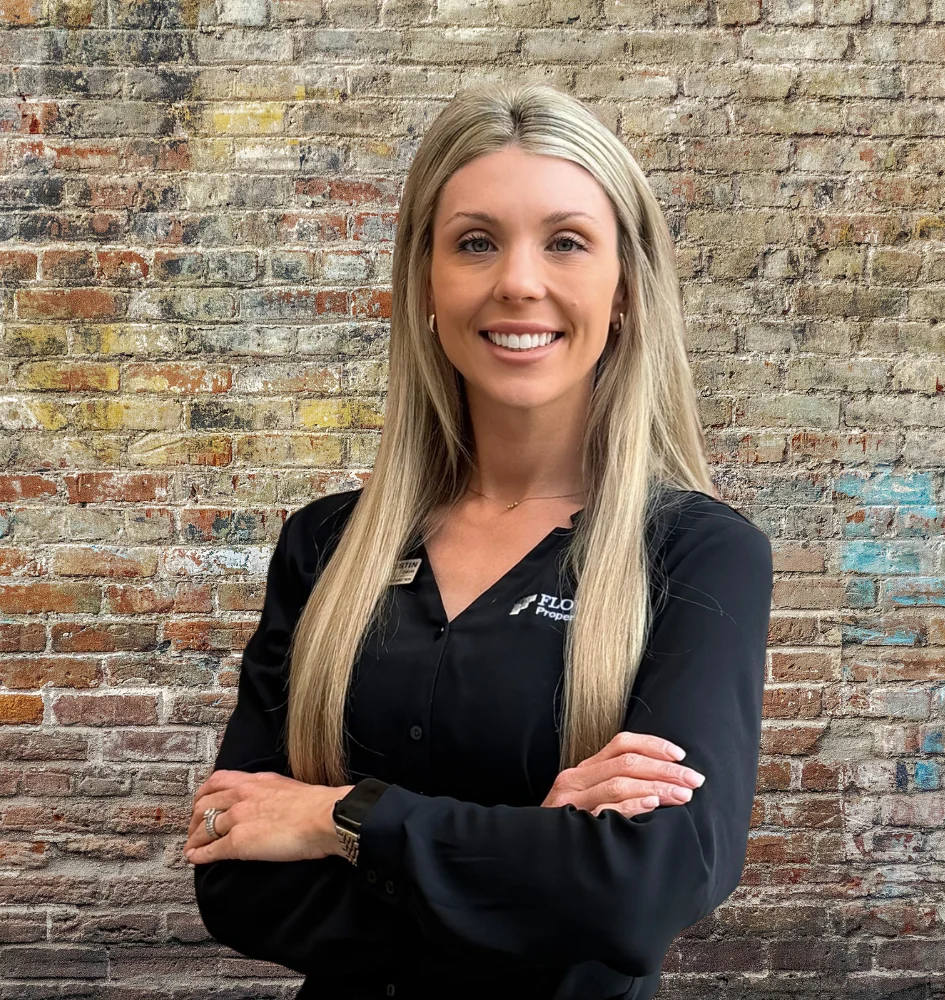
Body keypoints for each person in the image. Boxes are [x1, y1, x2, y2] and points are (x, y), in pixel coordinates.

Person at [183, 82, 773, 1000]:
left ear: (625, 287)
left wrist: (339, 819)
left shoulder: (697, 555)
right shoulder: (325, 546)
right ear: (427, 279)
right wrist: (534, 861)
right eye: (475, 242)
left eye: (567, 242)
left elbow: (643, 890)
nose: (518, 281)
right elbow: (235, 878)